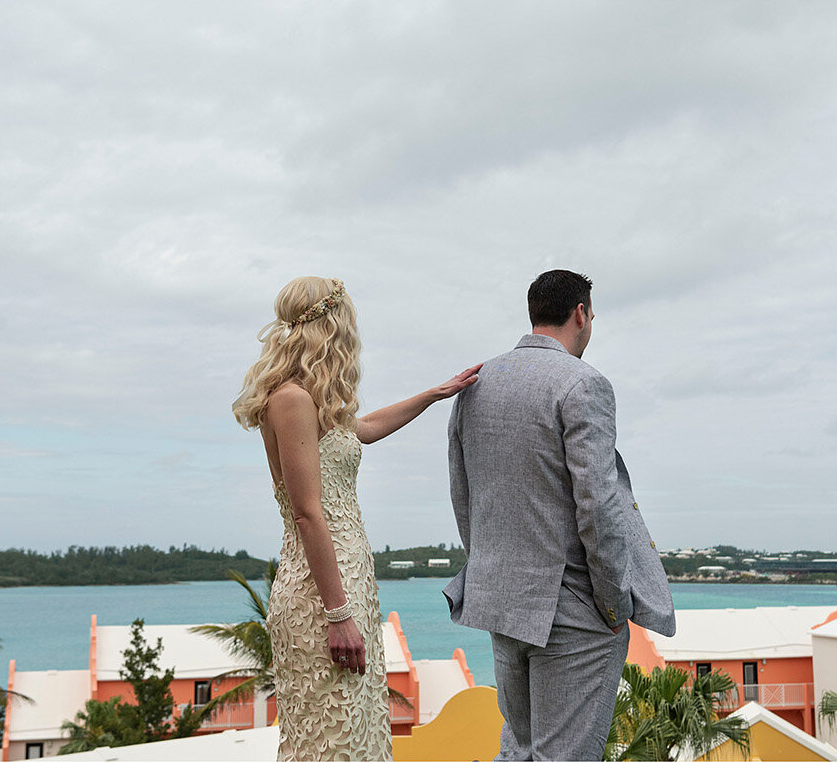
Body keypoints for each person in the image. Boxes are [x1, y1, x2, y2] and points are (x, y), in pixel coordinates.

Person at [233, 276, 478, 762]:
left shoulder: (312, 400)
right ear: (333, 324)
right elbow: (307, 513)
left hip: (347, 584)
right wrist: (338, 614)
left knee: (356, 735)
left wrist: (433, 395)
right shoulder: (290, 399)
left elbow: (362, 429)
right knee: (329, 739)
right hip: (320, 596)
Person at [444, 269, 674, 761]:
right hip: (571, 611)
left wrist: (489, 568)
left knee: (521, 750)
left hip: (500, 601)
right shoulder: (583, 383)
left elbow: (462, 495)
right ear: (581, 314)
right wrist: (614, 605)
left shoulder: (475, 384)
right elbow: (597, 504)